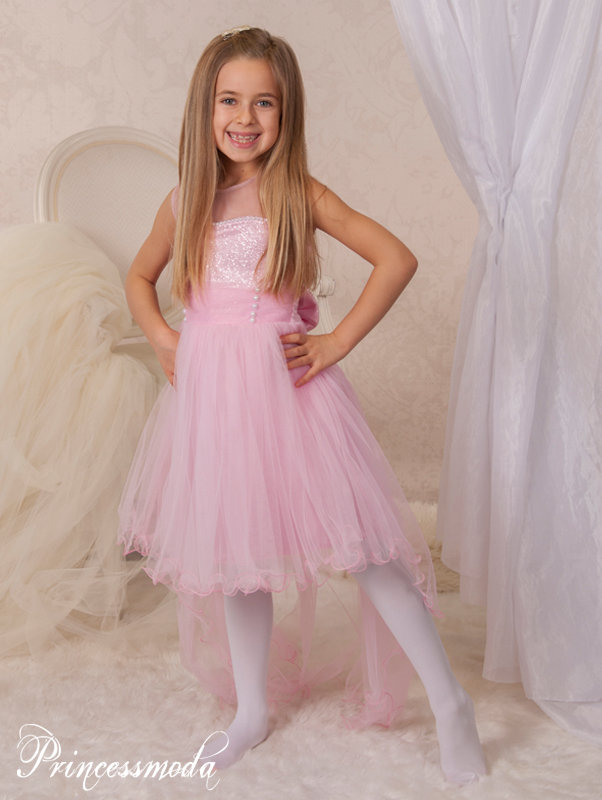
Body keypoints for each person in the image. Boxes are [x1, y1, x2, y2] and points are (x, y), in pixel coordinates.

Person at [117, 26, 486, 784]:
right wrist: (161, 337)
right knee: (238, 558)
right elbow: (139, 277)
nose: (244, 117)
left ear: (286, 112)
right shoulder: (186, 200)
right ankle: (251, 709)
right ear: (205, 107)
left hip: (292, 401)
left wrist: (336, 342)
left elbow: (396, 257)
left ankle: (451, 703)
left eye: (264, 102)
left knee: (367, 550)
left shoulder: (299, 194)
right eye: (229, 100)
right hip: (215, 404)